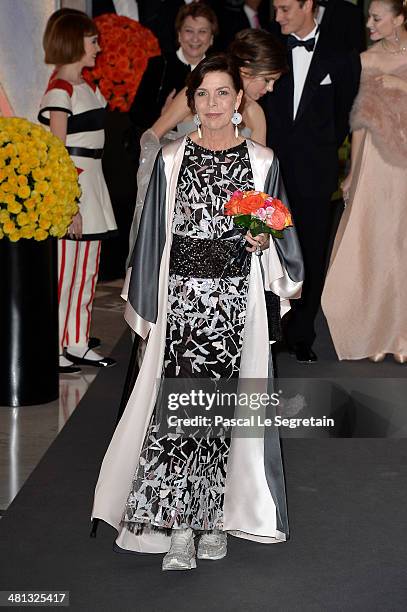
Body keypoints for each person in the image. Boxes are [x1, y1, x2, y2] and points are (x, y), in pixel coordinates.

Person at [92, 53, 303, 571]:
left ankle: (213, 519)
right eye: (202, 94)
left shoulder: (262, 161)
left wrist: (263, 245)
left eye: (222, 94)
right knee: (178, 412)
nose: (211, 104)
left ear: (238, 101)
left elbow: (283, 233)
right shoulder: (170, 158)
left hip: (237, 302)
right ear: (193, 101)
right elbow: (152, 238)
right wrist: (149, 303)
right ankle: (181, 523)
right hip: (183, 301)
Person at [127, 28, 288, 261]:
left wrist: (257, 223)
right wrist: (153, 189)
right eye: (268, 79)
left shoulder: (256, 114)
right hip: (184, 211)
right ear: (247, 68)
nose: (270, 89)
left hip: (230, 222)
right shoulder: (196, 94)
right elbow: (151, 137)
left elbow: (258, 179)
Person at [265, 0, 361, 363]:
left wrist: (323, 154)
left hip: (316, 173)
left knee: (311, 253)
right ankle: (270, 331)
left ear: (309, 5)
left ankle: (302, 334)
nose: (278, 17)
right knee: (268, 249)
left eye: (286, 8)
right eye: (275, 8)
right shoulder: (271, 46)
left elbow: (345, 115)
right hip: (269, 171)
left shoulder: (341, 55)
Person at [322, 0, 407, 364]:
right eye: (368, 18)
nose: (369, 24)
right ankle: (374, 333)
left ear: (400, 18)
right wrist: (353, 173)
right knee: (375, 241)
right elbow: (359, 122)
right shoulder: (366, 61)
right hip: (376, 163)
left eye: (376, 18)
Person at [39, 13, 117, 374]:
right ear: (73, 41)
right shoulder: (61, 90)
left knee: (86, 273)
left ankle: (77, 341)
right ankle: (54, 345)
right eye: (91, 40)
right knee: (65, 274)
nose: (97, 48)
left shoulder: (85, 86)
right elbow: (56, 153)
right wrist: (68, 205)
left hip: (93, 183)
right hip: (75, 183)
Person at [128, 3, 218, 137]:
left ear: (211, 38)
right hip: (166, 147)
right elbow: (137, 115)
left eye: (202, 32)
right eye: (189, 31)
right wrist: (163, 114)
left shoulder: (218, 70)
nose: (195, 38)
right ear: (179, 35)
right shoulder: (159, 65)